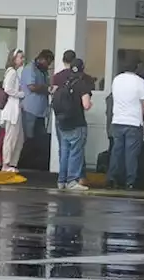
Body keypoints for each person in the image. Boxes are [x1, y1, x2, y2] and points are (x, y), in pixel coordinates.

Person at [108, 58, 144, 190]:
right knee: (131, 154)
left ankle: (112, 179)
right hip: (133, 122)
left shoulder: (116, 80)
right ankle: (130, 181)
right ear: (136, 67)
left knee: (117, 152)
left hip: (117, 121)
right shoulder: (140, 82)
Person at [52, 58, 95, 190]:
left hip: (63, 123)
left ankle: (62, 181)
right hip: (77, 123)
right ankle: (72, 181)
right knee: (76, 152)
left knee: (64, 152)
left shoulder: (64, 82)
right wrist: (90, 104)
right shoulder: (82, 84)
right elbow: (86, 105)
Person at [0, 49, 27, 173]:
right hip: (12, 110)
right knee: (11, 137)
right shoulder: (12, 73)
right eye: (20, 57)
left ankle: (12, 163)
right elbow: (8, 89)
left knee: (18, 138)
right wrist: (21, 94)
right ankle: (6, 164)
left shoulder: (13, 72)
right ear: (14, 59)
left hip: (14, 109)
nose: (22, 60)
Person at [19, 50, 54, 141]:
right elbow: (32, 87)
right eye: (47, 63)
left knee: (40, 138)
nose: (48, 66)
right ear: (41, 59)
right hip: (30, 110)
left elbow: (47, 85)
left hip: (41, 112)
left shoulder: (43, 71)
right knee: (29, 138)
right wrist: (46, 88)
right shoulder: (30, 68)